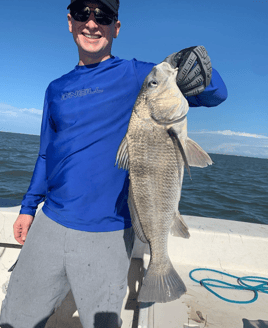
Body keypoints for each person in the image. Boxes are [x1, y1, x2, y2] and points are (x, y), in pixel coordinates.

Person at [0, 0, 228, 327]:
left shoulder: (139, 75)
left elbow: (216, 94)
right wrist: (27, 206)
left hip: (108, 233)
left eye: (103, 16)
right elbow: (46, 153)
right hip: (49, 223)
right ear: (70, 22)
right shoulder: (56, 88)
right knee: (15, 319)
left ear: (115, 27)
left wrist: (187, 62)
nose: (92, 23)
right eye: (83, 14)